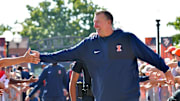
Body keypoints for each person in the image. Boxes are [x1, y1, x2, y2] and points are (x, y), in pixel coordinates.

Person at [32, 10, 174, 101]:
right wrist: (42, 57)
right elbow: (66, 54)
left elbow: (149, 55)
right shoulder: (89, 45)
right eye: (94, 23)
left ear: (108, 22)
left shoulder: (127, 39)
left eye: (98, 22)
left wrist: (166, 70)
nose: (95, 25)